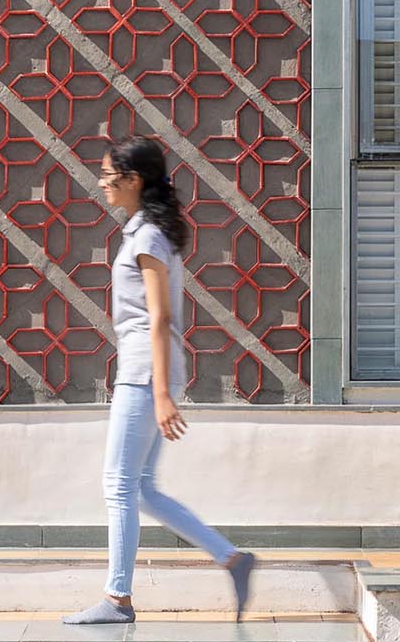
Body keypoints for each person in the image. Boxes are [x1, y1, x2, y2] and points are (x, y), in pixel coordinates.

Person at [63, 138, 257, 626]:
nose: (102, 182)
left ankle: (118, 599)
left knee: (118, 485)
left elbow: (160, 315)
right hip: (148, 370)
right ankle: (231, 558)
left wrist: (162, 393)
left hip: (143, 372)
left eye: (109, 174)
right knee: (142, 486)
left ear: (134, 180)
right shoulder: (144, 233)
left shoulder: (147, 236)